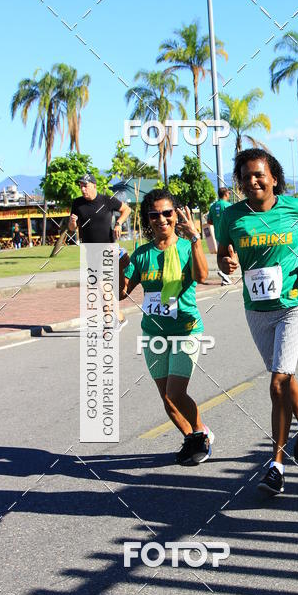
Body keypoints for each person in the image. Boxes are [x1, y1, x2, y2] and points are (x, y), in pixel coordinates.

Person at [217, 148, 298, 495]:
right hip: (257, 309)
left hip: (293, 304)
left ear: (273, 177)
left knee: (278, 383)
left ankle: (276, 464)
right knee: (283, 376)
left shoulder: (294, 208)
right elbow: (223, 253)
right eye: (246, 177)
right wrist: (227, 265)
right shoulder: (230, 217)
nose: (253, 181)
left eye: (259, 174)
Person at [120, 189, 214, 465]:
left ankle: (200, 434)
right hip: (153, 334)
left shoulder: (186, 247)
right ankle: (192, 436)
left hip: (185, 330)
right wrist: (119, 269)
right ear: (147, 220)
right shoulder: (141, 255)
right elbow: (121, 293)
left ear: (176, 215)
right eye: (154, 214)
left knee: (176, 392)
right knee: (166, 398)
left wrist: (196, 238)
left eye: (166, 213)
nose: (161, 219)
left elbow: (202, 275)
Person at [69, 172, 132, 325]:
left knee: (103, 286)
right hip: (90, 251)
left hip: (107, 249)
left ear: (94, 186)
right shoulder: (77, 204)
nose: (83, 189)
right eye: (81, 186)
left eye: (86, 186)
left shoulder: (107, 200)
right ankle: (120, 317)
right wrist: (72, 222)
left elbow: (127, 210)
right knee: (101, 288)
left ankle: (110, 322)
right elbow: (71, 228)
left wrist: (118, 223)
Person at [207, 188, 232, 284]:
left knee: (221, 255)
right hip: (228, 234)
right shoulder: (228, 205)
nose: (229, 195)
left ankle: (224, 278)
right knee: (230, 255)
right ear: (225, 194)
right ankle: (224, 274)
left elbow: (209, 221)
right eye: (228, 193)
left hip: (218, 235)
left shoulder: (213, 206)